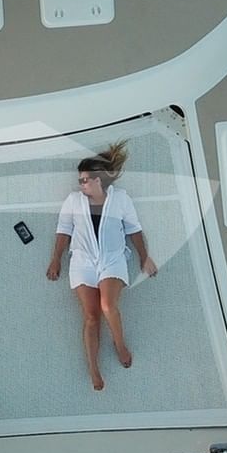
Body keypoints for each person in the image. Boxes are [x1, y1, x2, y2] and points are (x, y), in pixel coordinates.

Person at [44, 142, 158, 390]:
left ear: (98, 180)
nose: (80, 184)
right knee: (91, 316)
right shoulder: (73, 201)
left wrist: (144, 256)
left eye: (85, 180)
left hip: (112, 259)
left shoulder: (121, 199)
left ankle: (119, 344)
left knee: (108, 305)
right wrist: (56, 259)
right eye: (80, 180)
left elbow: (134, 229)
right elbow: (63, 230)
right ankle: (94, 368)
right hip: (82, 261)